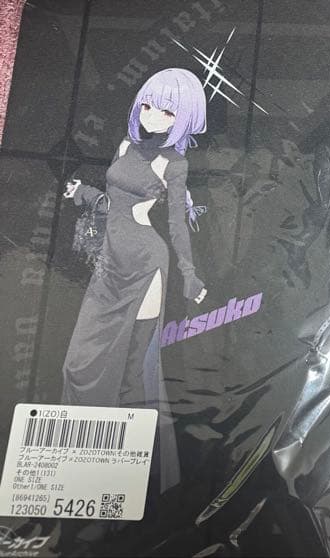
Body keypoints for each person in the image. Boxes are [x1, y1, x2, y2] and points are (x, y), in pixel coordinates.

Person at [63, 67, 209, 492]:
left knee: (133, 373)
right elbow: (115, 204)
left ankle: (135, 478)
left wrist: (189, 274)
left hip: (146, 267)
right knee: (78, 364)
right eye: (147, 105)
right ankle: (79, 462)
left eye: (167, 111)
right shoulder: (126, 144)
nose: (153, 116)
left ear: (183, 117)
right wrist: (84, 194)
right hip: (110, 266)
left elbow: (177, 224)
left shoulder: (174, 163)